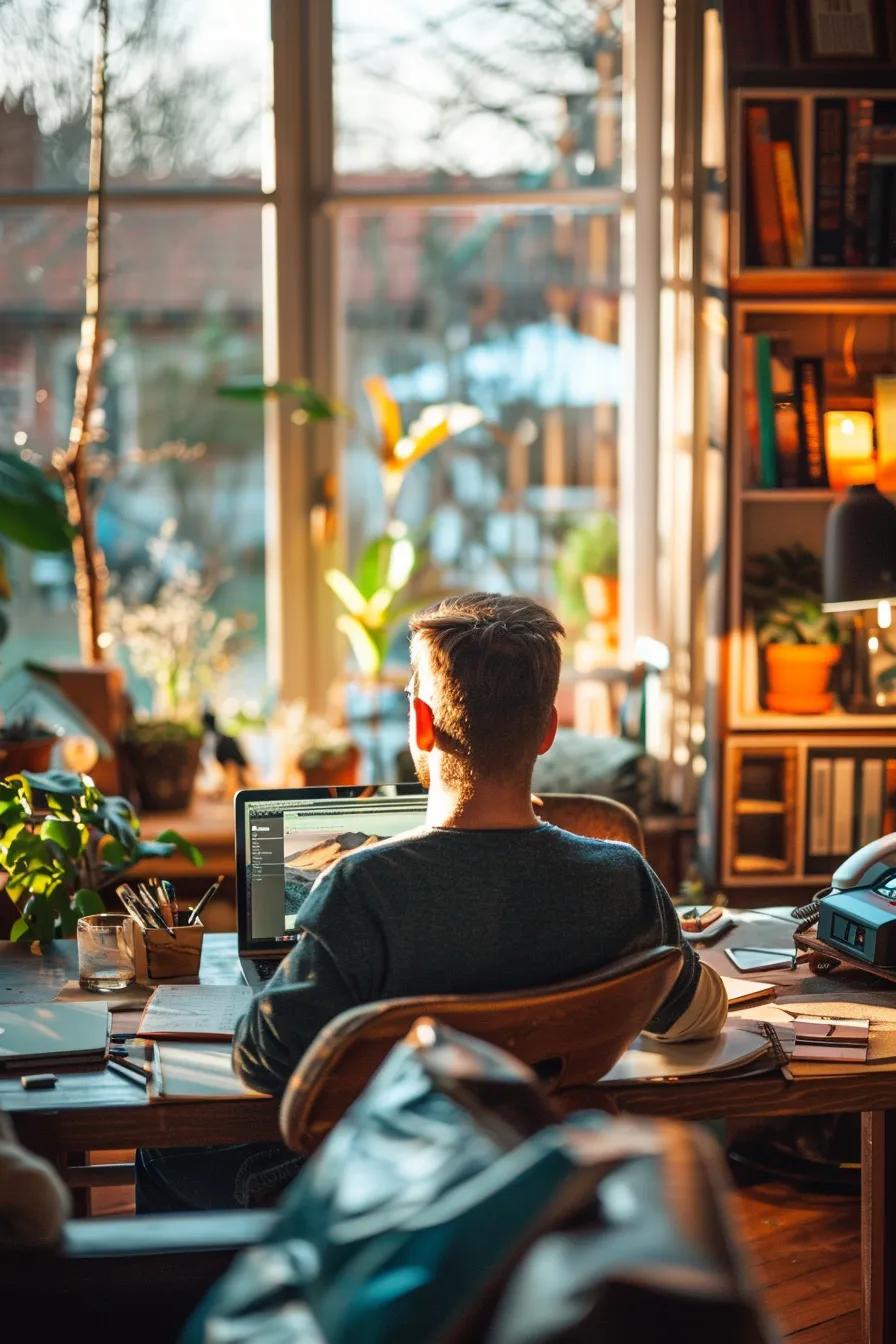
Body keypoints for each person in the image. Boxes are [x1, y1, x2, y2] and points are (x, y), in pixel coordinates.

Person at [136, 593, 725, 1211]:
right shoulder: (621, 876)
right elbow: (698, 1017)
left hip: (382, 1186)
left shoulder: (361, 886)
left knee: (160, 1153)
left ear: (421, 723)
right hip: (534, 1179)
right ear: (549, 729)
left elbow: (263, 1060)